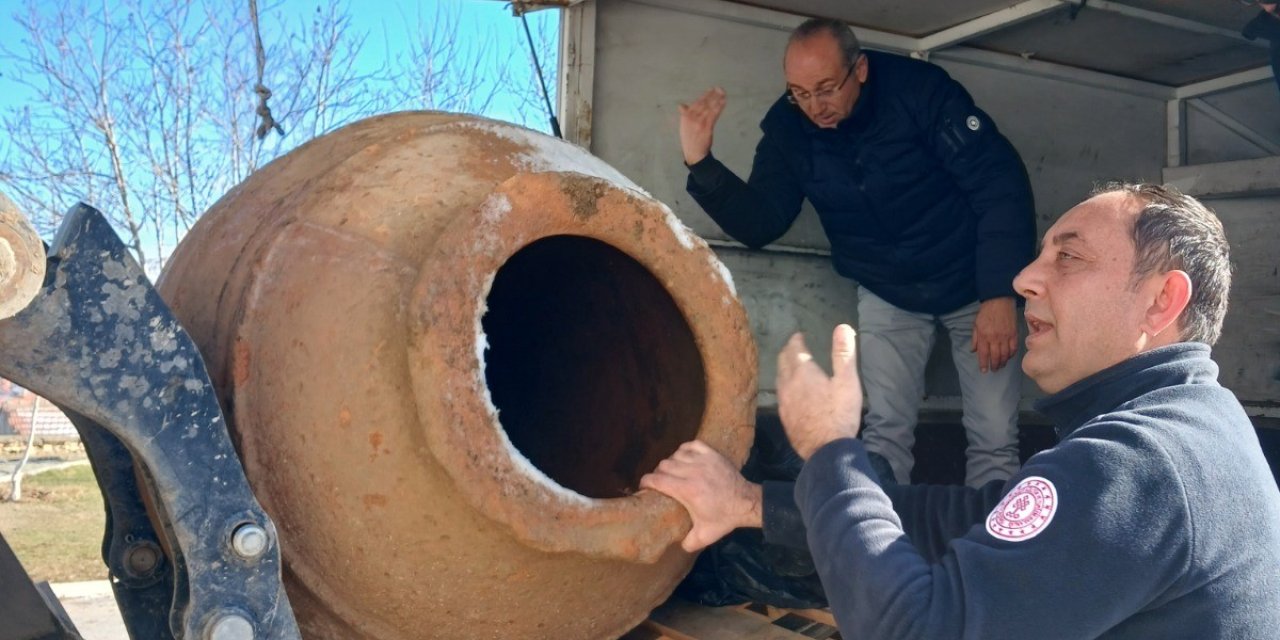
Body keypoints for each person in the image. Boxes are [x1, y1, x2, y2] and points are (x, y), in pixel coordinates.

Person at [700, 183, 1279, 638]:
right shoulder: (1200, 421)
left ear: (1161, 301)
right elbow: (970, 518)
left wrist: (829, 448)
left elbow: (914, 632)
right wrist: (749, 503)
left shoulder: (1139, 463)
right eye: (1038, 257)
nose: (1026, 278)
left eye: (1069, 257)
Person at [679, 17, 1037, 488]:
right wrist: (701, 163)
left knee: (994, 435)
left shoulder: (921, 93)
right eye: (799, 93)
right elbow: (761, 222)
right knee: (884, 433)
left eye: (826, 89)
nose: (814, 107)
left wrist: (999, 294)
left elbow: (999, 182)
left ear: (860, 69)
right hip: (887, 288)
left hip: (972, 280)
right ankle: (883, 553)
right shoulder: (790, 127)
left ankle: (993, 554)